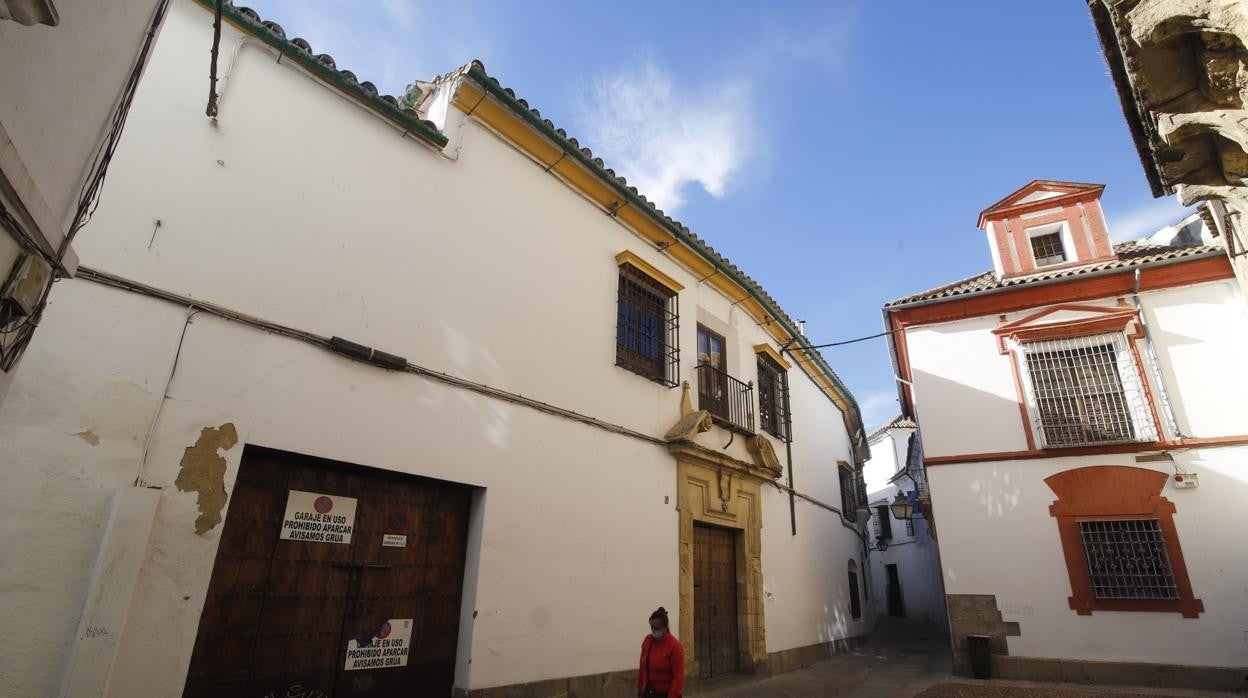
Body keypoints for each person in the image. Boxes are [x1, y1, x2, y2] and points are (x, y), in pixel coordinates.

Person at [637, 606, 684, 698]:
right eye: (652, 627)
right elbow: (642, 668)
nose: (653, 630)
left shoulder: (675, 646)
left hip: (666, 694)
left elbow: (678, 676)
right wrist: (640, 687)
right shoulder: (647, 641)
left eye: (657, 628)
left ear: (665, 627)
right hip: (648, 692)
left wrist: (672, 695)